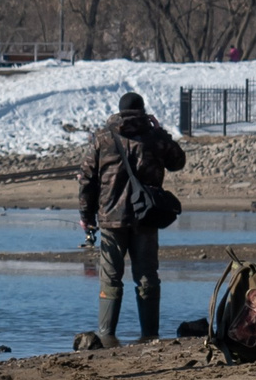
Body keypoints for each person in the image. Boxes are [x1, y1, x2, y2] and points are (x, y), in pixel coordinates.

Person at [78, 91, 185, 344]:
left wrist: (86, 216)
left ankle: (106, 336)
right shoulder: (153, 137)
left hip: (111, 217)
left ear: (119, 111)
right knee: (147, 276)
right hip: (146, 215)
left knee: (110, 278)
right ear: (142, 111)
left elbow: (87, 180)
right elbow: (178, 161)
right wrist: (161, 132)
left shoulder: (103, 138)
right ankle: (150, 335)